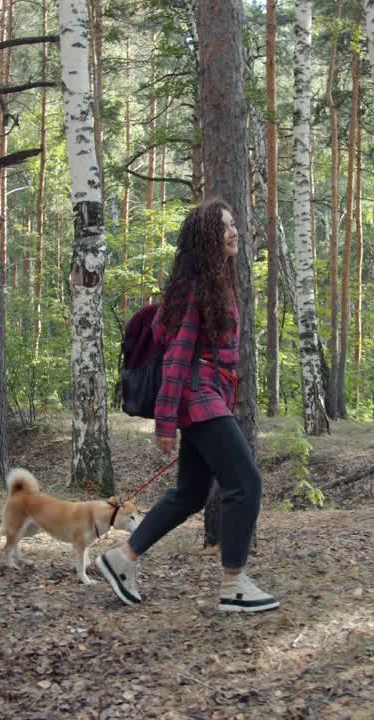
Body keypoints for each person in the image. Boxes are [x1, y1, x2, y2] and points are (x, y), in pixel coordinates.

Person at [97, 199, 279, 613]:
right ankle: (233, 584)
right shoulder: (197, 286)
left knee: (190, 493)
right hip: (198, 399)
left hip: (208, 397)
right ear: (206, 239)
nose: (234, 232)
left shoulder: (214, 282)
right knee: (245, 482)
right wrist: (165, 422)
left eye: (233, 225)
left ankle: (120, 559)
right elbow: (178, 356)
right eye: (226, 227)